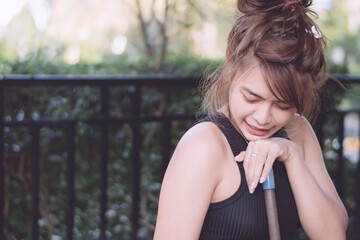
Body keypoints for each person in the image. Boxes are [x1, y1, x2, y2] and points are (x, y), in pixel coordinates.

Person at [153, 0, 348, 239]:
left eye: (283, 105)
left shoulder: (298, 131)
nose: (263, 118)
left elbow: (334, 234)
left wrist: (290, 155)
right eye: (251, 98)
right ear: (231, 74)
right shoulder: (203, 145)